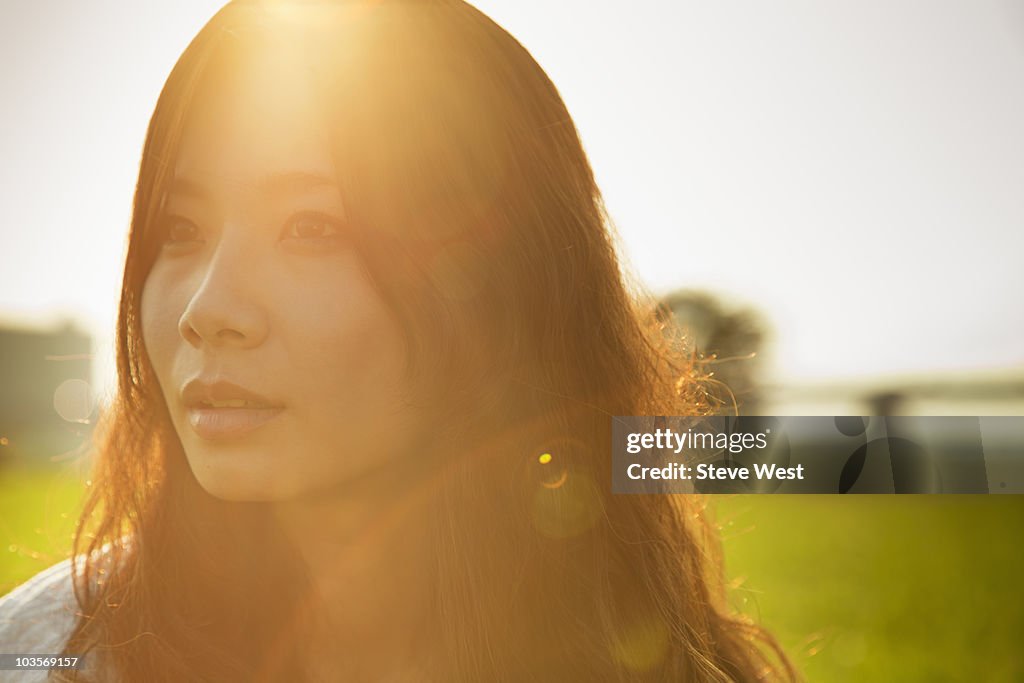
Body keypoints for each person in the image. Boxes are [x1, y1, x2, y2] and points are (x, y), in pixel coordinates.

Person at [0, 1, 798, 680]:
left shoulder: (663, 659)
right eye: (179, 229)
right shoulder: (48, 651)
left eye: (313, 227)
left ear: (495, 287)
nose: (208, 309)